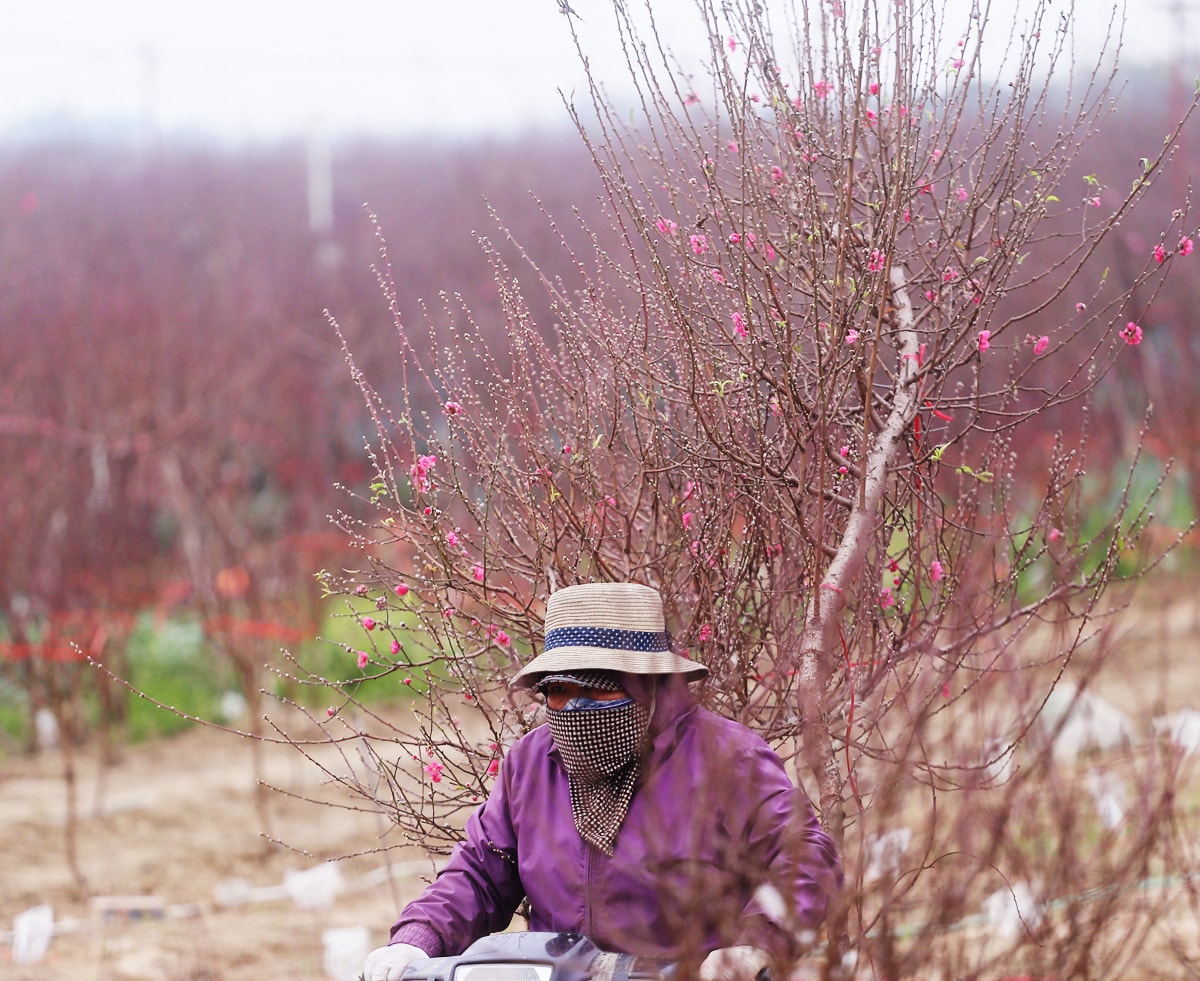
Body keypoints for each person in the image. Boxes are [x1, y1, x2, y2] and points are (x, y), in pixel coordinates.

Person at [362, 581, 841, 981]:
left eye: (599, 689)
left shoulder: (726, 758)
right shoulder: (532, 762)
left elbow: (805, 858)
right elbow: (481, 871)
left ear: (648, 684)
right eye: (561, 692)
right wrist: (417, 940)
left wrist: (755, 945)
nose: (576, 709)